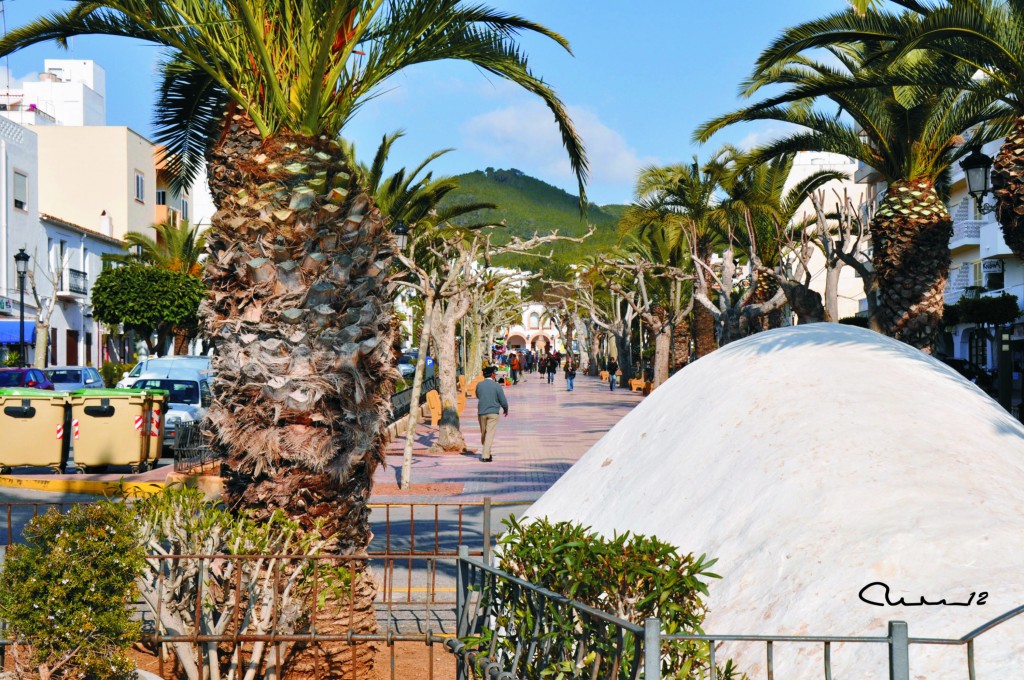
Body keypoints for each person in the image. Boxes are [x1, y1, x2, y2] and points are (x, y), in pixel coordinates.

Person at [475, 366, 508, 462]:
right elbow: (503, 400)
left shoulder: (479, 385)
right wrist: (505, 409)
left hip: (482, 412)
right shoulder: (497, 386)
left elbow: (477, 395)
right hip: (493, 412)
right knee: (488, 434)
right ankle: (486, 454)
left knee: (484, 433)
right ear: (492, 375)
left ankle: (486, 454)